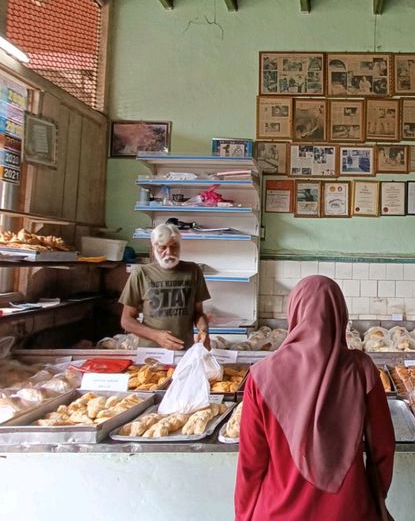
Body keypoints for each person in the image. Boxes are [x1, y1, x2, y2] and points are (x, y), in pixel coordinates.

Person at [235, 275, 395, 521]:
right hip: (350, 511)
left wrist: (243, 516)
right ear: (340, 315)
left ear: (294, 313)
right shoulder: (362, 370)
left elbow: (251, 465)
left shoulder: (261, 376)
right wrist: (376, 498)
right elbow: (383, 449)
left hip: (278, 512)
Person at [119, 223, 211, 351]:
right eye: (163, 247)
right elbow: (126, 320)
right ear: (153, 247)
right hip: (151, 353)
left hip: (185, 350)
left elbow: (198, 313)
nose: (169, 252)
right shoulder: (141, 273)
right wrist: (156, 336)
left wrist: (204, 330)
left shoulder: (193, 271)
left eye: (174, 246)